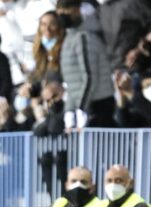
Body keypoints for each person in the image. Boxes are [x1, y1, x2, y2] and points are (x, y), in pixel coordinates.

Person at [56, 0, 115, 130]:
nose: (62, 16)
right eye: (59, 13)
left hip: (97, 104)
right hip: (83, 104)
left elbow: (90, 76)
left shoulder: (85, 37)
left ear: (77, 10)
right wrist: (70, 110)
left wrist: (82, 108)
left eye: (66, 11)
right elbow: (72, 82)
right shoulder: (68, 39)